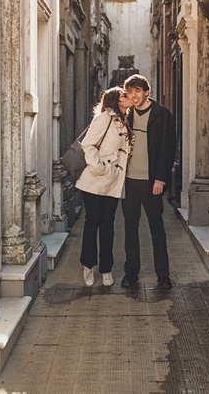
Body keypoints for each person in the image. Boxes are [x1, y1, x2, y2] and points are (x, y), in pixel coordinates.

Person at [120, 74, 176, 290]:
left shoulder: (162, 115)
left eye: (137, 91)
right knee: (130, 228)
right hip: (129, 181)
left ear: (146, 92)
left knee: (156, 228)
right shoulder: (125, 115)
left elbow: (168, 148)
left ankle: (163, 276)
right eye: (130, 92)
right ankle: (130, 274)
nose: (133, 96)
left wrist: (160, 178)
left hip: (152, 181)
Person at [75, 87, 134, 287]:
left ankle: (106, 269)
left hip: (113, 182)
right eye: (124, 95)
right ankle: (88, 265)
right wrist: (98, 167)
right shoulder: (104, 118)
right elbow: (88, 144)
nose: (128, 97)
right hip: (94, 180)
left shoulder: (125, 121)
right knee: (93, 223)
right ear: (116, 100)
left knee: (108, 225)